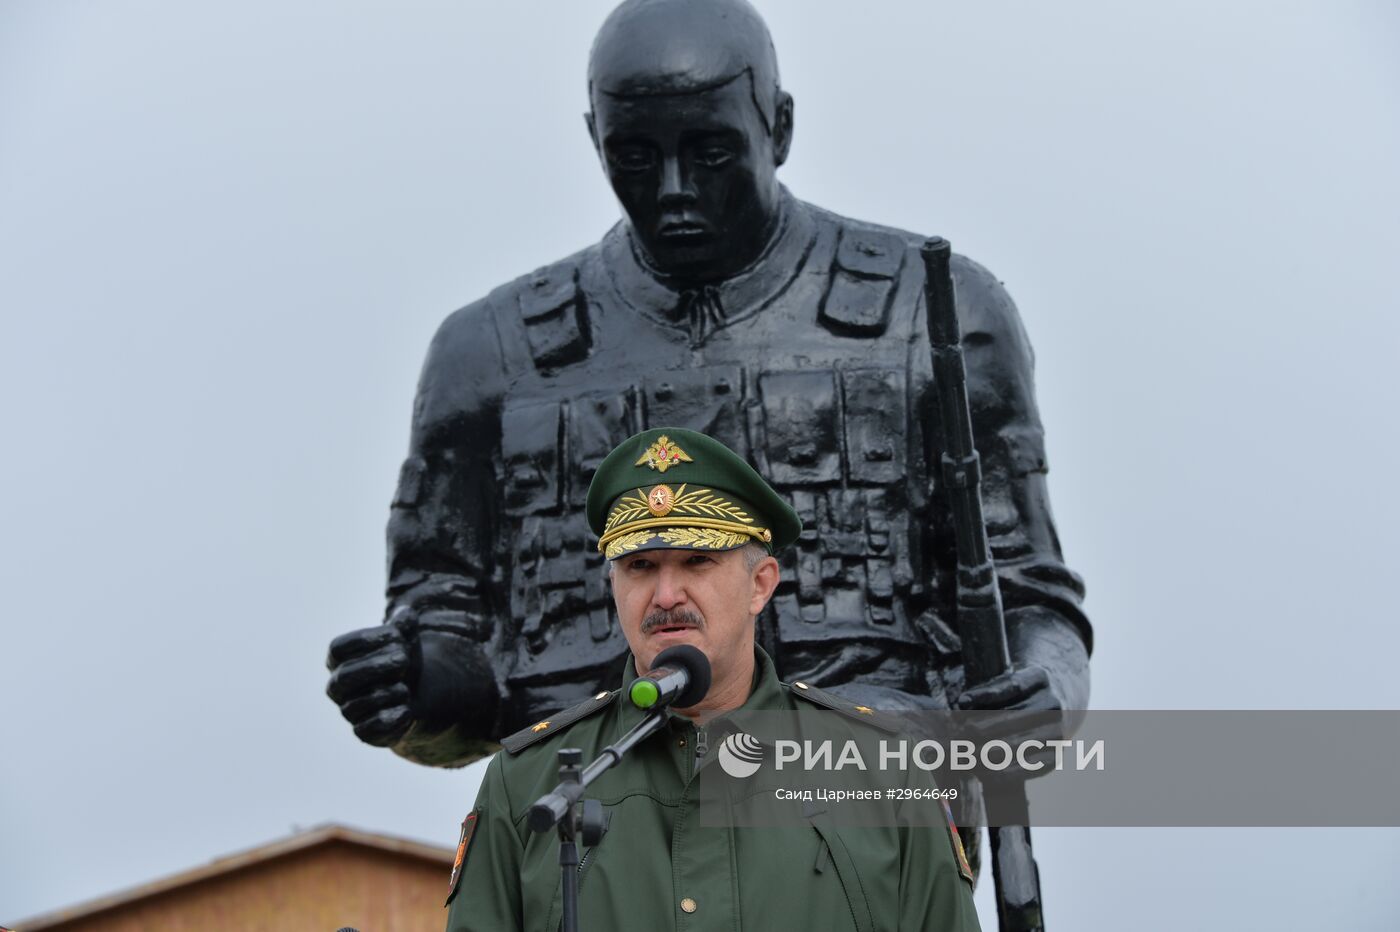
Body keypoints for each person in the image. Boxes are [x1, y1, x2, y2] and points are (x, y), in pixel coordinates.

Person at [326, 0, 1089, 788]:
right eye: (635, 156)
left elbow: (1025, 592)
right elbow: (462, 650)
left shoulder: (935, 314)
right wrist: (413, 684)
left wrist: (1043, 695)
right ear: (594, 138)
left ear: (780, 128)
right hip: (590, 842)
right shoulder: (486, 354)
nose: (674, 190)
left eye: (712, 152)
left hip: (858, 824)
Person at [444, 427, 981, 931]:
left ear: (760, 585)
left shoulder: (884, 771)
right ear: (613, 584)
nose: (666, 595)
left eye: (697, 560)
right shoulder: (529, 785)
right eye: (640, 567)